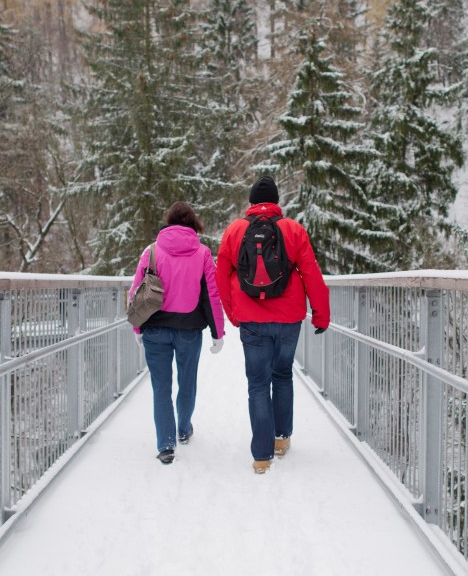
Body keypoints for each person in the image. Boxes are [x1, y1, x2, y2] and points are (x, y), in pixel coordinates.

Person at [216, 175, 330, 474]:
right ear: (277, 203)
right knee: (282, 376)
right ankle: (281, 439)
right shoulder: (293, 229)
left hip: (251, 318)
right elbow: (311, 274)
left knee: (257, 384)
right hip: (289, 317)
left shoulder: (235, 230)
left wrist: (233, 314)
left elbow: (220, 277)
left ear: (251, 202)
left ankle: (261, 456)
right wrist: (321, 314)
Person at [129, 202, 226, 465]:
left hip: (155, 329)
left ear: (168, 222)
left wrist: (137, 327)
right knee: (187, 382)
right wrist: (218, 332)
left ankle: (165, 445)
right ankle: (183, 428)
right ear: (193, 224)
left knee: (161, 388)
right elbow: (212, 295)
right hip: (189, 330)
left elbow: (136, 290)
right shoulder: (203, 253)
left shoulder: (151, 251)